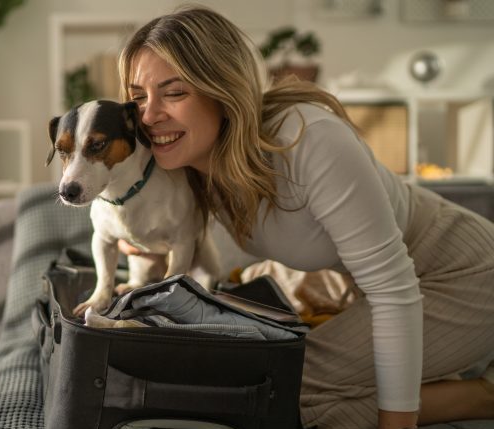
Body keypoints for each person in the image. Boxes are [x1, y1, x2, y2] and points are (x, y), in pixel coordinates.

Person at [115, 5, 494, 429]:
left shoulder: (309, 139)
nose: (148, 116)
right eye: (137, 97)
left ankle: (480, 395)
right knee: (255, 382)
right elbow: (202, 264)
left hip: (463, 274)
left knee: (284, 389)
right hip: (371, 287)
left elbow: (393, 290)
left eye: (175, 92)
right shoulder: (189, 169)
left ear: (223, 90)